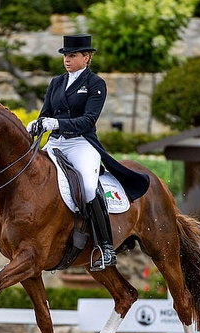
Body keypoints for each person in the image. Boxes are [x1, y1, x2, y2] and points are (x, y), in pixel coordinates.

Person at [26, 34, 150, 269]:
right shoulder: (56, 82)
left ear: (87, 57)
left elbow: (88, 120)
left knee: (88, 187)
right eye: (65, 55)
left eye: (72, 55)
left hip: (81, 143)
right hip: (55, 142)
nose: (67, 60)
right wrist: (37, 123)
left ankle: (105, 246)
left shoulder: (95, 84)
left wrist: (57, 123)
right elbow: (46, 113)